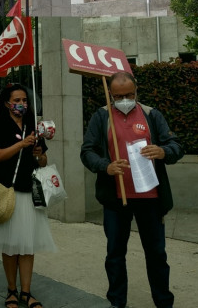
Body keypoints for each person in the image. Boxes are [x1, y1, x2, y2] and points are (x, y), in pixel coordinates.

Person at [80, 72, 182, 308]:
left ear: (136, 91)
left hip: (151, 198)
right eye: (118, 96)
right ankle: (117, 302)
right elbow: (87, 152)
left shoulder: (151, 114)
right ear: (110, 95)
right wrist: (106, 166)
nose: (124, 100)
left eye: (129, 95)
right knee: (115, 255)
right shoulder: (101, 116)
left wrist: (163, 151)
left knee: (157, 254)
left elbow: (176, 145)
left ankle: (164, 302)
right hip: (116, 199)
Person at [0, 83, 56, 308]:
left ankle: (26, 292)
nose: (22, 104)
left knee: (27, 245)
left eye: (25, 100)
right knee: (11, 246)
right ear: (6, 102)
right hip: (8, 191)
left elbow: (43, 160)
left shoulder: (33, 125)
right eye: (17, 100)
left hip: (29, 191)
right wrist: (21, 144)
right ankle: (11, 291)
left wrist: (38, 154)